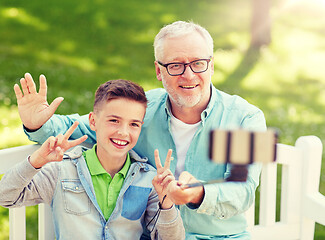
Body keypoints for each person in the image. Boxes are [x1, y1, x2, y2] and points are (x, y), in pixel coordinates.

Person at [16, 21, 266, 239]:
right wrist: (36, 123)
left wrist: (196, 193)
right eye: (176, 65)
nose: (189, 75)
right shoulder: (141, 111)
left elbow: (243, 192)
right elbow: (75, 128)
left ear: (211, 66)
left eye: (198, 63)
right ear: (159, 70)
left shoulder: (247, 119)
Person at [0, 79, 185, 240]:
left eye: (134, 124)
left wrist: (166, 203)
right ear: (93, 121)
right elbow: (5, 196)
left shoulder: (149, 180)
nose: (123, 132)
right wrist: (36, 162)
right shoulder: (61, 169)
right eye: (114, 120)